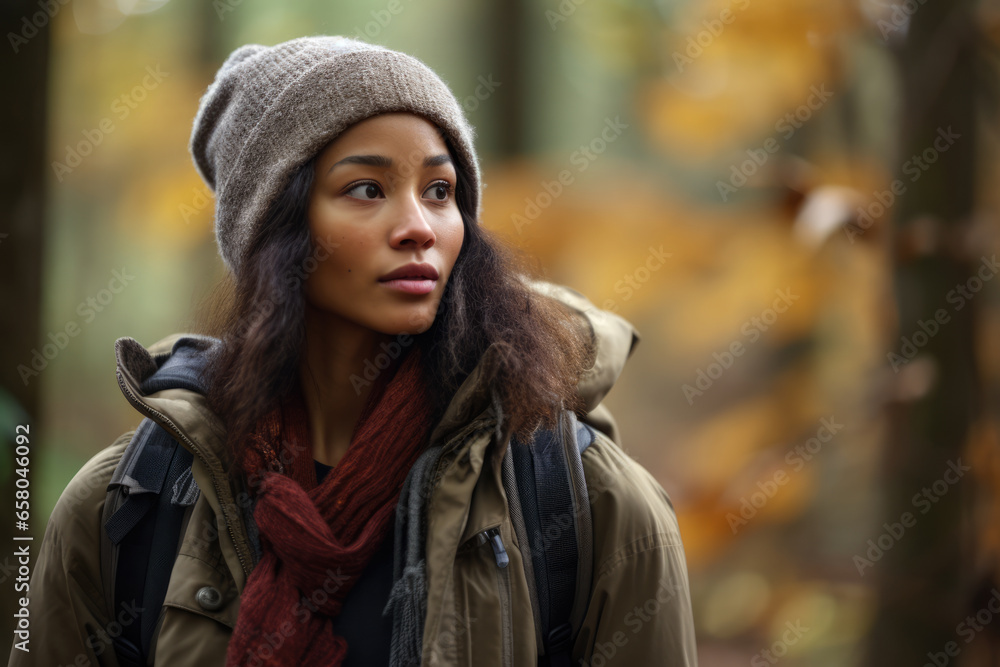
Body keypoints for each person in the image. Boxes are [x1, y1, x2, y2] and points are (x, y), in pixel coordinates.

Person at [8, 36, 698, 667]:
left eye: (439, 190)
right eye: (367, 188)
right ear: (274, 229)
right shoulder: (127, 506)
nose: (418, 227)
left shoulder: (587, 502)